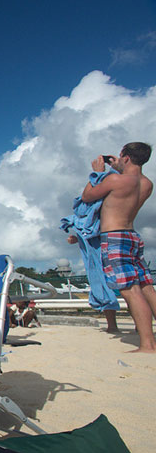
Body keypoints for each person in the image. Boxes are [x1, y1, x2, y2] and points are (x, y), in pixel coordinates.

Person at [81, 143, 156, 352]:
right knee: (147, 288)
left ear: (126, 157)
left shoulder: (115, 180)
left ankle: (148, 344)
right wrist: (118, 168)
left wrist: (97, 173)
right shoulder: (147, 184)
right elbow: (128, 185)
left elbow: (87, 196)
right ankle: (150, 340)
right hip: (132, 235)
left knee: (130, 290)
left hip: (114, 236)